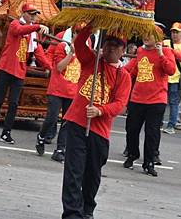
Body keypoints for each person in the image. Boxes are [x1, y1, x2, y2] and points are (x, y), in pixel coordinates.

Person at [61, 26, 131, 219]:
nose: (111, 48)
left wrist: (101, 110)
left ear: (123, 50)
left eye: (116, 45)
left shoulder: (123, 76)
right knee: (73, 172)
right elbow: (79, 43)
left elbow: (120, 104)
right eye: (108, 43)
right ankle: (72, 214)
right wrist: (93, 24)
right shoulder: (90, 61)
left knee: (92, 176)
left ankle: (87, 209)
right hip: (76, 122)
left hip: (99, 131)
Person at [0, 3, 50, 143]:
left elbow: (38, 52)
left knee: (13, 103)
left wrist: (50, 68)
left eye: (35, 14)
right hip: (6, 68)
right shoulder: (15, 24)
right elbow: (18, 31)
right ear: (24, 13)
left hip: (19, 71)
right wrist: (37, 26)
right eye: (31, 14)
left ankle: (6, 132)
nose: (33, 17)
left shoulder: (32, 33)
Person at [123, 28, 175, 177]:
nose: (146, 37)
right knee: (131, 129)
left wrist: (161, 55)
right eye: (144, 34)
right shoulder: (140, 51)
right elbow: (134, 69)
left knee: (152, 133)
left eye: (150, 35)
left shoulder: (166, 51)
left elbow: (171, 70)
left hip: (157, 99)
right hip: (137, 98)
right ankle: (132, 154)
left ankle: (149, 162)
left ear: (157, 38)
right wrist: (118, 70)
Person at [35, 24, 85, 162]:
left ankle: (60, 149)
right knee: (52, 118)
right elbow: (59, 66)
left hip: (73, 90)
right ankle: (41, 136)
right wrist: (72, 53)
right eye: (78, 34)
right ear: (73, 34)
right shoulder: (62, 46)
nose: (80, 37)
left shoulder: (86, 46)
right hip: (57, 88)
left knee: (67, 122)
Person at [161, 22, 181, 134]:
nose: (174, 34)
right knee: (161, 101)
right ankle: (159, 122)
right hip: (163, 77)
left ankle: (171, 125)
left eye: (177, 32)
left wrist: (169, 50)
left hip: (175, 78)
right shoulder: (165, 42)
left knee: (173, 103)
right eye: (173, 32)